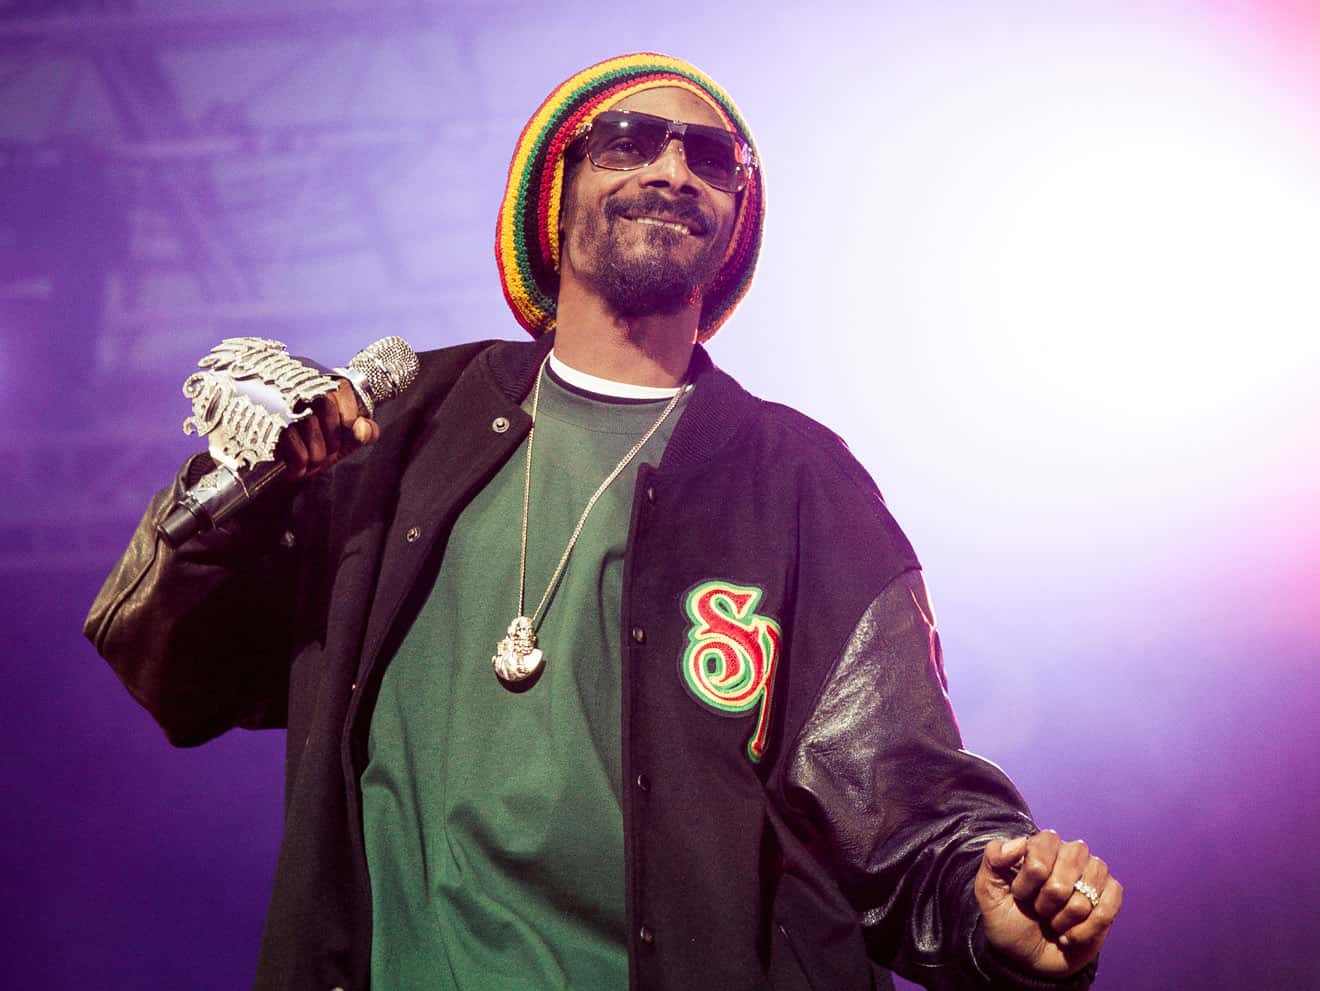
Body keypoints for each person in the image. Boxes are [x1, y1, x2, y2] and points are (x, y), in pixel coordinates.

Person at [85, 52, 1122, 990]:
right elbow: (177, 665)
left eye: (712, 159)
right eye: (629, 141)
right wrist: (231, 495)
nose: (673, 170)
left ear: (733, 221)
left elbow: (896, 796)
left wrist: (989, 912)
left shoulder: (799, 480)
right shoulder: (405, 425)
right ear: (556, 189)